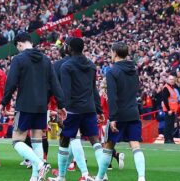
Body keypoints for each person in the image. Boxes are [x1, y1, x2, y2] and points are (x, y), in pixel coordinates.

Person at [0, 33, 63, 181]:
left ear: (20, 44)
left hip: (25, 105)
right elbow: (55, 84)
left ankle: (41, 164)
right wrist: (62, 104)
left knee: (16, 140)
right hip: (41, 106)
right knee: (36, 140)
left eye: (18, 47)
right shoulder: (46, 60)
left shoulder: (19, 59)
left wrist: (4, 102)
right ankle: (35, 177)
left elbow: (11, 83)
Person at [50, 37, 103, 181]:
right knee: (95, 140)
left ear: (70, 49)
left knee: (65, 139)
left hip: (73, 109)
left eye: (66, 45)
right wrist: (99, 110)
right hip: (89, 108)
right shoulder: (91, 65)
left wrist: (62, 110)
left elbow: (66, 91)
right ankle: (102, 176)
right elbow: (94, 89)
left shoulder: (66, 66)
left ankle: (61, 177)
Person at [94, 42, 146, 181]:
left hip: (119, 114)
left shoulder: (112, 71)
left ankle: (99, 178)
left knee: (108, 146)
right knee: (135, 145)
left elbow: (113, 96)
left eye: (111, 52)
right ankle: (141, 177)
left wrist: (113, 118)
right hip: (133, 112)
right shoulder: (134, 70)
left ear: (115, 53)